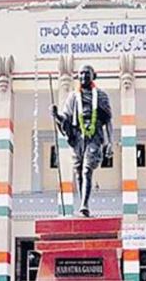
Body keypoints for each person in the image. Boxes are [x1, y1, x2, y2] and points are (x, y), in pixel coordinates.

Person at [51, 64, 113, 217]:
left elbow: (108, 121)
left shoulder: (101, 96)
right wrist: (56, 115)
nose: (84, 76)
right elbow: (65, 119)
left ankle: (84, 205)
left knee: (87, 169)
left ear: (94, 76)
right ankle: (82, 203)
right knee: (78, 172)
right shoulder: (73, 96)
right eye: (81, 74)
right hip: (78, 136)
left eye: (87, 73)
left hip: (94, 135)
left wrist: (110, 141)